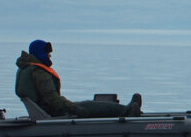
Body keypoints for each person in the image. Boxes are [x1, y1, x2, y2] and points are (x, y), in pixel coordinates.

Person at [14, 39, 142, 118]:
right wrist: (75, 109)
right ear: (40, 53)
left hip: (48, 110)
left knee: (88, 104)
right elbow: (53, 99)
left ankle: (125, 110)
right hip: (54, 112)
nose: (50, 54)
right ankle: (128, 111)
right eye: (48, 52)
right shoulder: (39, 73)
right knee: (90, 106)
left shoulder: (28, 68)